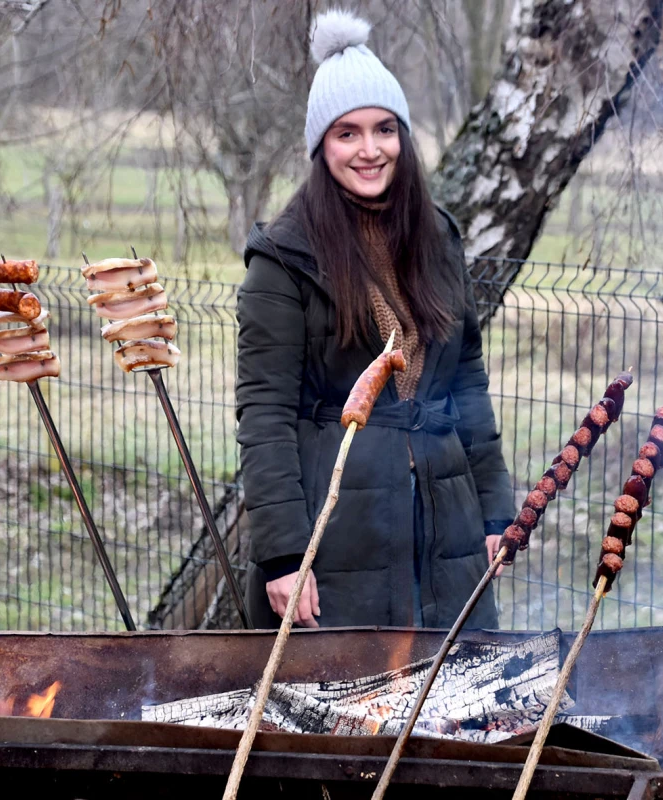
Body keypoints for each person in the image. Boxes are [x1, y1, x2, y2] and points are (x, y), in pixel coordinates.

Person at [235, 9, 514, 630]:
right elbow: (265, 416)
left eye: (385, 129)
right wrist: (283, 556)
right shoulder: (284, 258)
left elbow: (466, 383)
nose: (370, 150)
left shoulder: (437, 237)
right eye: (348, 133)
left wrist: (496, 514)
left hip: (446, 524)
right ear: (321, 145)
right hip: (334, 533)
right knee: (340, 713)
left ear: (403, 136)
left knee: (452, 705)